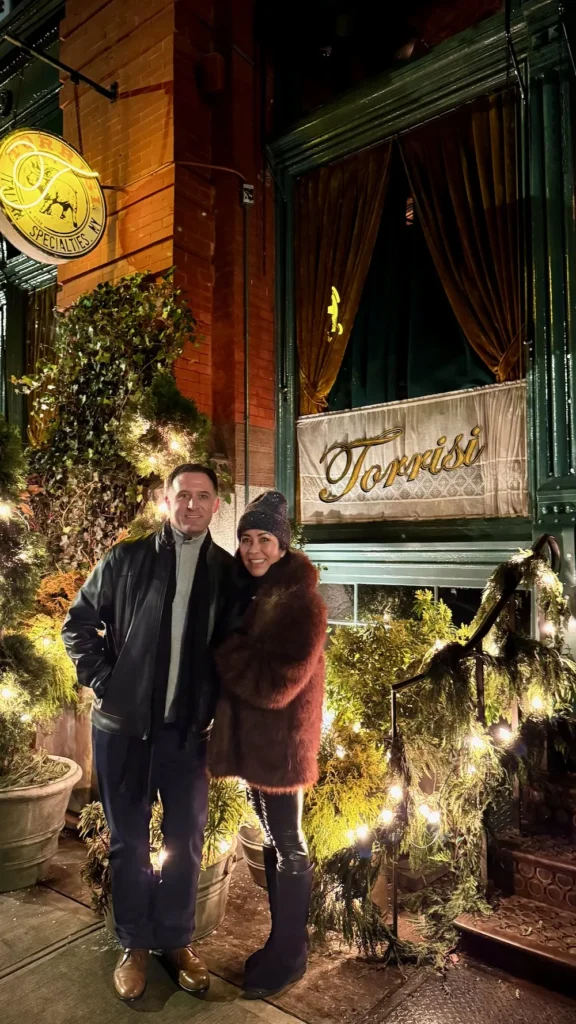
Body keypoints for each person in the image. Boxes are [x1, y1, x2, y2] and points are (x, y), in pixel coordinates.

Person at [62, 464, 235, 1001]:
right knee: (129, 842)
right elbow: (78, 623)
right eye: (182, 495)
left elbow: (235, 650)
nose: (191, 505)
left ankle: (176, 942)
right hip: (122, 730)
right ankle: (135, 944)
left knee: (186, 839)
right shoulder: (127, 559)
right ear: (167, 500)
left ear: (215, 506)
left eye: (202, 497)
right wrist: (104, 682)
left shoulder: (226, 573)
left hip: (187, 734)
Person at [208, 490, 327, 999]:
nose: (254, 548)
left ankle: (291, 953)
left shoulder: (299, 602)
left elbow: (277, 685)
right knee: (279, 845)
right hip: (259, 747)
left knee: (290, 847)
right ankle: (283, 943)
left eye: (265, 540)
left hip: (281, 747)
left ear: (282, 547)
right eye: (247, 538)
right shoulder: (254, 594)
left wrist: (226, 648)